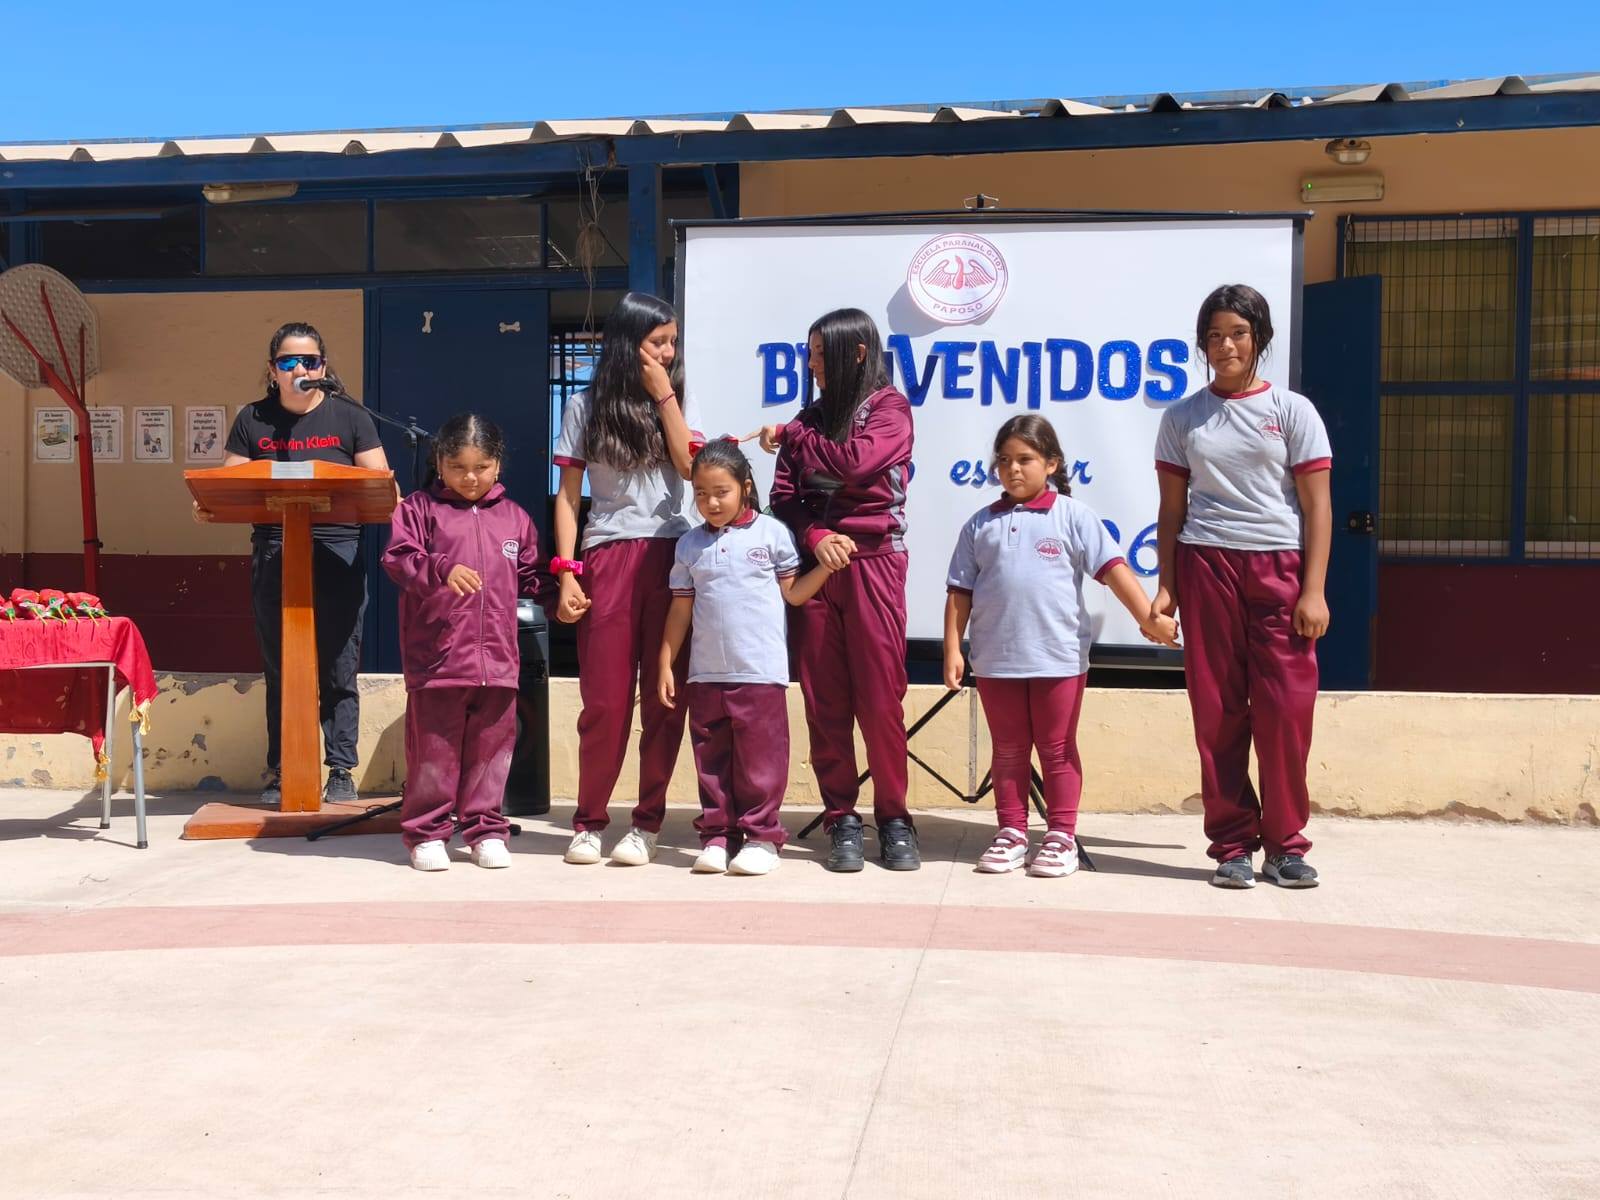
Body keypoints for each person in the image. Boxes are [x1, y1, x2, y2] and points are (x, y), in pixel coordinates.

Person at [1152, 284, 1333, 890]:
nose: (1225, 346)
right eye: (1214, 336)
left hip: (1279, 568)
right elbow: (1171, 510)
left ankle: (1285, 845)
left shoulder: (1293, 411)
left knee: (1285, 711)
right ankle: (1231, 845)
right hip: (1207, 565)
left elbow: (1318, 506)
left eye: (1237, 334)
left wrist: (1313, 590)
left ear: (1259, 338)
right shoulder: (1183, 417)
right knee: (1218, 713)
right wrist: (1167, 589)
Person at [943, 415, 1180, 877]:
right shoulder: (980, 524)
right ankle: (1011, 833)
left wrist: (1148, 619)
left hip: (1059, 658)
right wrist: (954, 648)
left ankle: (1060, 837)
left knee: (1056, 748)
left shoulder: (1073, 516)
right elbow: (959, 592)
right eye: (1004, 460)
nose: (1013, 469)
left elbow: (1113, 570)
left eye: (1025, 459)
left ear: (1051, 463)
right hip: (996, 660)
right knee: (1008, 750)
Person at [196, 322, 392, 805]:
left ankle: (340, 769)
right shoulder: (253, 419)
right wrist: (209, 502)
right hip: (275, 549)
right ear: (272, 370)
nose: (300, 369)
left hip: (339, 550)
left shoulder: (350, 416)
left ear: (323, 367)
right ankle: (283, 769)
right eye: (288, 361)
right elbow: (229, 484)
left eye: (310, 361)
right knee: (281, 666)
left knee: (339, 665)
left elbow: (380, 484)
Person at [759, 308, 916, 873]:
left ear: (857, 352)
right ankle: (841, 818)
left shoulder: (890, 410)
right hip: (818, 567)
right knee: (823, 701)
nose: (812, 365)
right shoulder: (810, 418)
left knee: (880, 700)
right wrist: (817, 535)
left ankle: (894, 818)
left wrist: (793, 435)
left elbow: (856, 464)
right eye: (810, 354)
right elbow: (783, 497)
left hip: (875, 562)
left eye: (821, 354)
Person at [552, 293, 699, 866]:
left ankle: (647, 823)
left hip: (672, 555)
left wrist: (664, 394)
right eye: (657, 341)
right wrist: (567, 571)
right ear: (626, 342)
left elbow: (690, 467)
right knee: (606, 701)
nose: (667, 351)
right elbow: (569, 498)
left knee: (665, 697)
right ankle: (589, 822)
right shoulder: (584, 406)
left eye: (672, 342)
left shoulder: (676, 397)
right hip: (607, 556)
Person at [658, 440, 840, 876]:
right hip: (705, 674)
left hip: (760, 672)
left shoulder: (772, 534)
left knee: (761, 761)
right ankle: (718, 836)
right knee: (712, 761)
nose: (710, 502)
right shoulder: (689, 545)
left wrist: (826, 567)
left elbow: (794, 594)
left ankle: (761, 838)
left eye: (721, 492)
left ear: (745, 487)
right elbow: (680, 609)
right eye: (701, 493)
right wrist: (666, 662)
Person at [381, 414, 541, 871]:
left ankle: (485, 829)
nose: (470, 477)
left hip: (499, 660)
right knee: (434, 751)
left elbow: (531, 574)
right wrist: (442, 568)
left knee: (491, 751)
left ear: (498, 465)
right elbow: (399, 558)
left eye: (481, 467)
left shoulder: (515, 518)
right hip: (438, 658)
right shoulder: (418, 509)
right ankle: (427, 833)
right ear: (439, 463)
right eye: (458, 467)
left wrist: (563, 593)